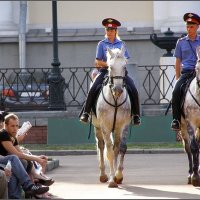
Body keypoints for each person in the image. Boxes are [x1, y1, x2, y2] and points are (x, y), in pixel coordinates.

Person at [79, 18, 141, 125]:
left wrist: (118, 64)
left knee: (134, 89)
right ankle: (86, 113)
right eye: (107, 30)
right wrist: (109, 64)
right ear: (105, 31)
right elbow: (97, 61)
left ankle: (136, 115)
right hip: (105, 72)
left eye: (112, 30)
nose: (109, 32)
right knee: (93, 88)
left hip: (120, 73)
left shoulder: (122, 44)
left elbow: (126, 59)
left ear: (115, 31)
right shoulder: (101, 44)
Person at [171, 12, 200, 131]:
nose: (189, 29)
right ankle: (176, 120)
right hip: (187, 73)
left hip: (199, 72)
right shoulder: (181, 42)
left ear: (197, 26)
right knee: (176, 91)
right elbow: (178, 62)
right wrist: (177, 78)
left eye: (192, 26)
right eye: (187, 26)